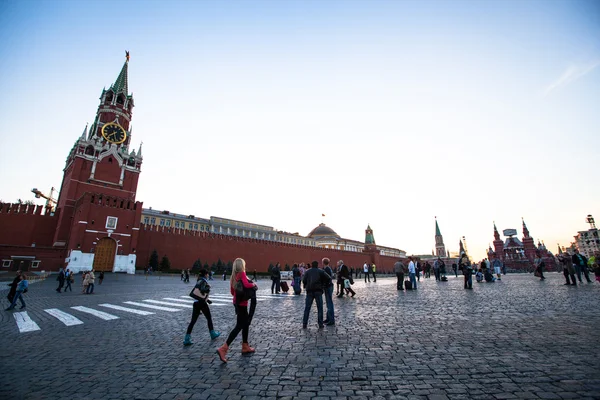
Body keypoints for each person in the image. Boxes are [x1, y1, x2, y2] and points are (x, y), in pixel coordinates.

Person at [216, 258, 257, 363]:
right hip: (242, 304)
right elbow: (247, 285)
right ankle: (223, 348)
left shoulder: (233, 276)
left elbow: (232, 291)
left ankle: (245, 345)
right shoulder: (242, 273)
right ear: (242, 266)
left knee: (245, 324)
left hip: (236, 303)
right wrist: (253, 285)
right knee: (239, 326)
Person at [184, 269, 220, 345]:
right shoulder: (203, 281)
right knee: (209, 318)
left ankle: (186, 338)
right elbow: (203, 290)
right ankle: (212, 334)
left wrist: (208, 300)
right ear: (205, 274)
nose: (208, 275)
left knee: (193, 321)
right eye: (207, 274)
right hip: (202, 303)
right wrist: (208, 287)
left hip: (196, 303)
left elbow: (199, 293)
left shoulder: (199, 280)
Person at [301, 260, 331, 329]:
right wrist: (323, 285)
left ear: (311, 265)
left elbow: (304, 280)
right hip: (318, 291)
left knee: (307, 308)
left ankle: (304, 324)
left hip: (309, 292)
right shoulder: (321, 271)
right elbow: (329, 278)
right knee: (320, 308)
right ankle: (320, 324)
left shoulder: (307, 271)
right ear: (317, 265)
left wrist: (306, 286)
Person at [321, 258, 335, 326]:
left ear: (323, 262)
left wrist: (324, 285)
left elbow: (327, 278)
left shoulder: (326, 269)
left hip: (328, 287)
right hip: (329, 287)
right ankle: (328, 318)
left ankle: (331, 320)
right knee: (328, 303)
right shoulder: (328, 268)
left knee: (329, 304)